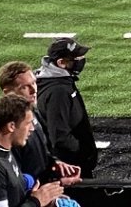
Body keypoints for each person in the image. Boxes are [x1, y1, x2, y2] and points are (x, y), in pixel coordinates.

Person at [0, 62, 81, 186]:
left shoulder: (31, 112)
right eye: (25, 87)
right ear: (7, 92)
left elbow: (42, 149)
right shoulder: (7, 127)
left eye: (34, 83)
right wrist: (52, 184)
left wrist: (55, 163)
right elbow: (13, 175)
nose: (34, 90)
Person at [0, 94, 65, 207]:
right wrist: (36, 201)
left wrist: (44, 195)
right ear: (11, 126)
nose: (32, 129)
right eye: (28, 123)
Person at [35, 39, 98, 178]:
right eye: (75, 58)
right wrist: (83, 154)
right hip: (71, 168)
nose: (81, 61)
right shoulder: (59, 92)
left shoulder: (61, 82)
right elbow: (59, 136)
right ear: (61, 63)